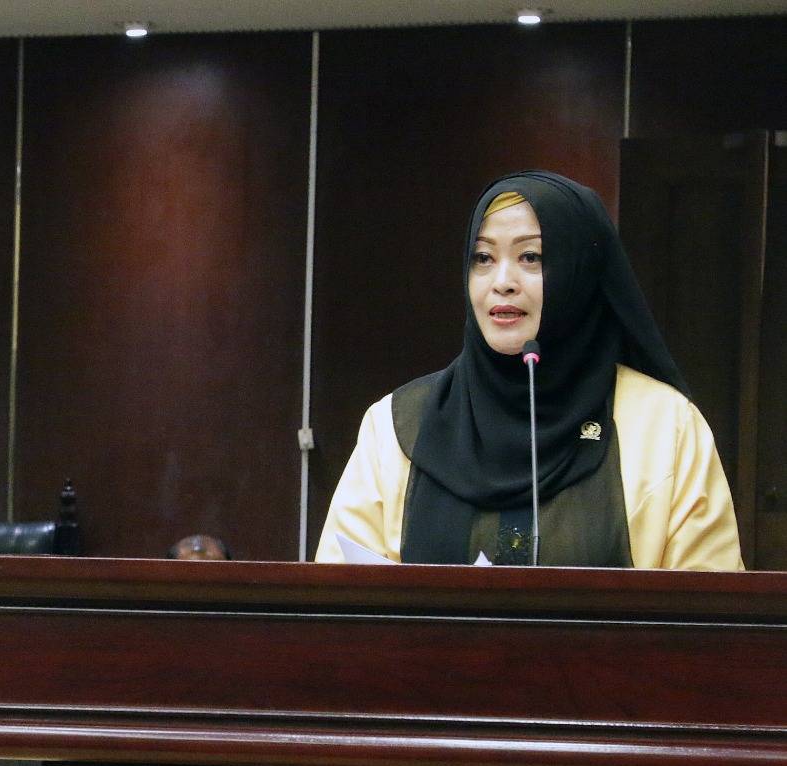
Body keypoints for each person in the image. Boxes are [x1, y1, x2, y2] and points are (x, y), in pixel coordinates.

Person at [316, 171, 743, 570]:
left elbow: (706, 608)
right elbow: (340, 600)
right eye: (483, 257)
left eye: (531, 257)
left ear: (580, 270)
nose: (502, 281)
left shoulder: (665, 427)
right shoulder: (396, 425)